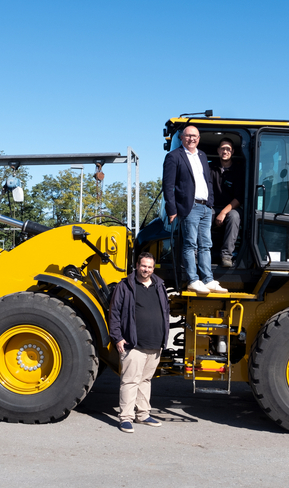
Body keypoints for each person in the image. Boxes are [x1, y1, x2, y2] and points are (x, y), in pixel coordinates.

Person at [109, 252, 170, 433]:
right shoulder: (125, 286)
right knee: (130, 381)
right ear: (137, 265)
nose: (146, 270)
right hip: (133, 344)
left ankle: (143, 414)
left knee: (145, 380)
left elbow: (165, 310)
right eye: (143, 266)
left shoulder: (159, 285)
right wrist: (117, 337)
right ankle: (125, 418)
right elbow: (114, 313)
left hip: (154, 343)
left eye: (150, 267)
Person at [162, 125, 228, 294]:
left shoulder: (202, 156)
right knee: (190, 244)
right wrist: (171, 210)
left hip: (206, 207)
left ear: (199, 138)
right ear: (182, 137)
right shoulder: (173, 156)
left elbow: (208, 182)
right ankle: (193, 279)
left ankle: (208, 279)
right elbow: (168, 186)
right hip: (189, 207)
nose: (192, 139)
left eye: (195, 136)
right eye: (189, 136)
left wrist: (210, 203)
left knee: (206, 244)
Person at [209, 138, 244, 268]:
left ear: (232, 151)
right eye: (222, 148)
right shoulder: (210, 168)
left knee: (235, 216)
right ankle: (202, 253)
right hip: (212, 206)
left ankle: (226, 255)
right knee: (203, 214)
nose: (225, 151)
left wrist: (223, 212)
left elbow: (239, 197)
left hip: (231, 208)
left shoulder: (239, 171)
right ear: (218, 150)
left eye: (228, 149)